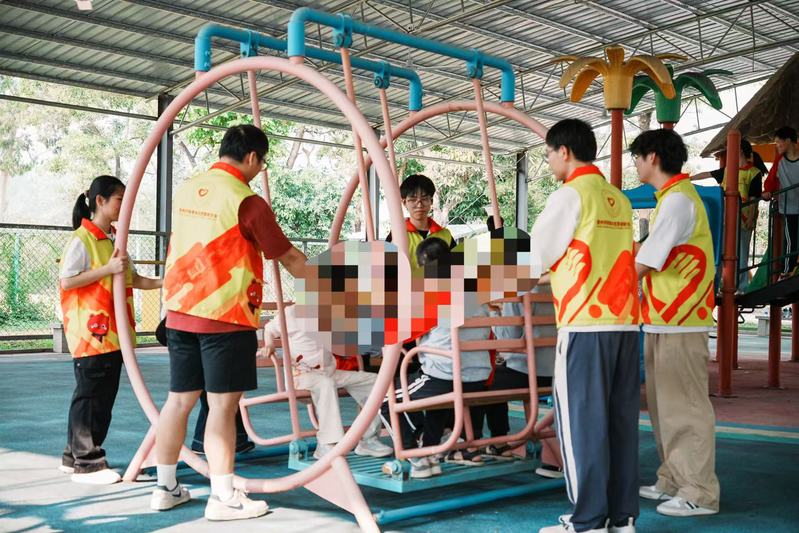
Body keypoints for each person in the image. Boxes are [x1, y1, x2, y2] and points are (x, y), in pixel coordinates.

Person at [151, 125, 307, 521]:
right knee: (222, 407)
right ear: (252, 157)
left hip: (179, 312)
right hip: (225, 316)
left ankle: (165, 487)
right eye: (262, 161)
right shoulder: (247, 201)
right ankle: (223, 497)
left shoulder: (188, 188)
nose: (261, 168)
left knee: (179, 401)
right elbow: (289, 257)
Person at [534, 119, 640, 533]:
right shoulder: (618, 199)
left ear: (564, 151)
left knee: (582, 424)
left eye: (548, 154)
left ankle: (588, 521)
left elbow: (536, 256)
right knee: (620, 424)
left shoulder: (569, 195)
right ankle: (621, 517)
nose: (548, 162)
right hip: (625, 325)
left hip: (584, 325)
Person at [630, 129, 720, 518]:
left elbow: (644, 261)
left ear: (652, 157)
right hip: (663, 320)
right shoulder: (670, 199)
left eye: (637, 157)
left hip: (681, 322)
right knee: (664, 406)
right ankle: (672, 477)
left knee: (685, 407)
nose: (636, 164)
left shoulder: (679, 201)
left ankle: (699, 491)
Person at [59, 175, 162, 484]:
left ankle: (73, 456)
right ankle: (87, 463)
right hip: (91, 332)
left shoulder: (114, 239)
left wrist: (166, 281)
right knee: (92, 396)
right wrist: (107, 269)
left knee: (98, 396)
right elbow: (67, 280)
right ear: (100, 201)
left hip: (113, 334)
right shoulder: (83, 239)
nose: (124, 205)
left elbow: (133, 279)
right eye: (120, 199)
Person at [380, 237, 493, 479]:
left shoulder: (432, 292)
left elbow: (401, 332)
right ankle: (430, 450)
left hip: (445, 376)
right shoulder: (477, 292)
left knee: (385, 399)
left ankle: (415, 455)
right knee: (432, 397)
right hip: (477, 377)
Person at [261, 304, 393, 459]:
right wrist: (269, 344)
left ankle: (368, 439)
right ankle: (326, 443)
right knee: (325, 383)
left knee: (375, 382)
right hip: (301, 376)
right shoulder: (292, 313)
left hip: (329, 372)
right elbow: (269, 329)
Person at [154, 319, 255, 456]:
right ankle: (229, 446)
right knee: (221, 403)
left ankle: (199, 444)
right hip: (222, 320)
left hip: (181, 319)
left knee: (178, 403)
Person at [690, 139, 763, 290]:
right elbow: (708, 174)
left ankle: (741, 286)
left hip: (743, 218)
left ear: (739, 150)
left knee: (741, 251)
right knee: (720, 251)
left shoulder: (753, 173)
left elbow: (754, 199)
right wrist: (688, 179)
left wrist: (750, 218)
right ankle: (717, 284)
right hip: (724, 217)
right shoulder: (727, 170)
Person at [386, 173, 454, 269]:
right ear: (404, 202)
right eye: (413, 200)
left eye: (424, 199)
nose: (419, 205)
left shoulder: (445, 235)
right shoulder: (397, 235)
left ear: (431, 201)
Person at [763, 126, 799, 276]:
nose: (777, 146)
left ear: (788, 141)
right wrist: (767, 191)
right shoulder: (779, 161)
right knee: (790, 240)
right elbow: (770, 180)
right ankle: (786, 272)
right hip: (788, 207)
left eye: (779, 143)